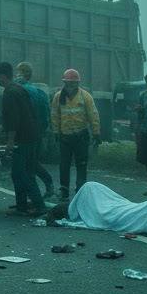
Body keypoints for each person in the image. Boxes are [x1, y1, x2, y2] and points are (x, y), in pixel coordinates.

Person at [46, 181, 147, 236]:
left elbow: (113, 199)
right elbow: (60, 211)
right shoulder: (81, 210)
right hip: (114, 211)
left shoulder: (86, 195)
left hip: (116, 204)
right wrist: (52, 215)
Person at [0, 62, 45, 215]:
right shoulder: (19, 89)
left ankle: (38, 205)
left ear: (2, 76)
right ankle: (22, 205)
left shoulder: (9, 92)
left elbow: (13, 119)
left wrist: (10, 141)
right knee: (27, 172)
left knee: (19, 173)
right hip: (33, 136)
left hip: (23, 139)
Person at [50, 69, 101, 200]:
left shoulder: (85, 97)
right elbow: (55, 115)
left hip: (81, 136)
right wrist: (55, 132)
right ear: (64, 83)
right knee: (64, 164)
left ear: (78, 84)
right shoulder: (58, 97)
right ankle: (64, 190)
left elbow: (93, 115)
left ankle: (81, 190)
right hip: (65, 136)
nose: (70, 86)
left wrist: (96, 133)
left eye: (73, 84)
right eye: (68, 83)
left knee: (81, 164)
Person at [16, 61, 55, 199]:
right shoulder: (40, 92)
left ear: (20, 73)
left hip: (26, 134)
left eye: (18, 71)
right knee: (31, 163)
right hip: (38, 134)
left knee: (26, 166)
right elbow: (46, 115)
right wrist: (44, 132)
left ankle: (34, 199)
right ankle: (46, 185)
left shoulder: (20, 90)